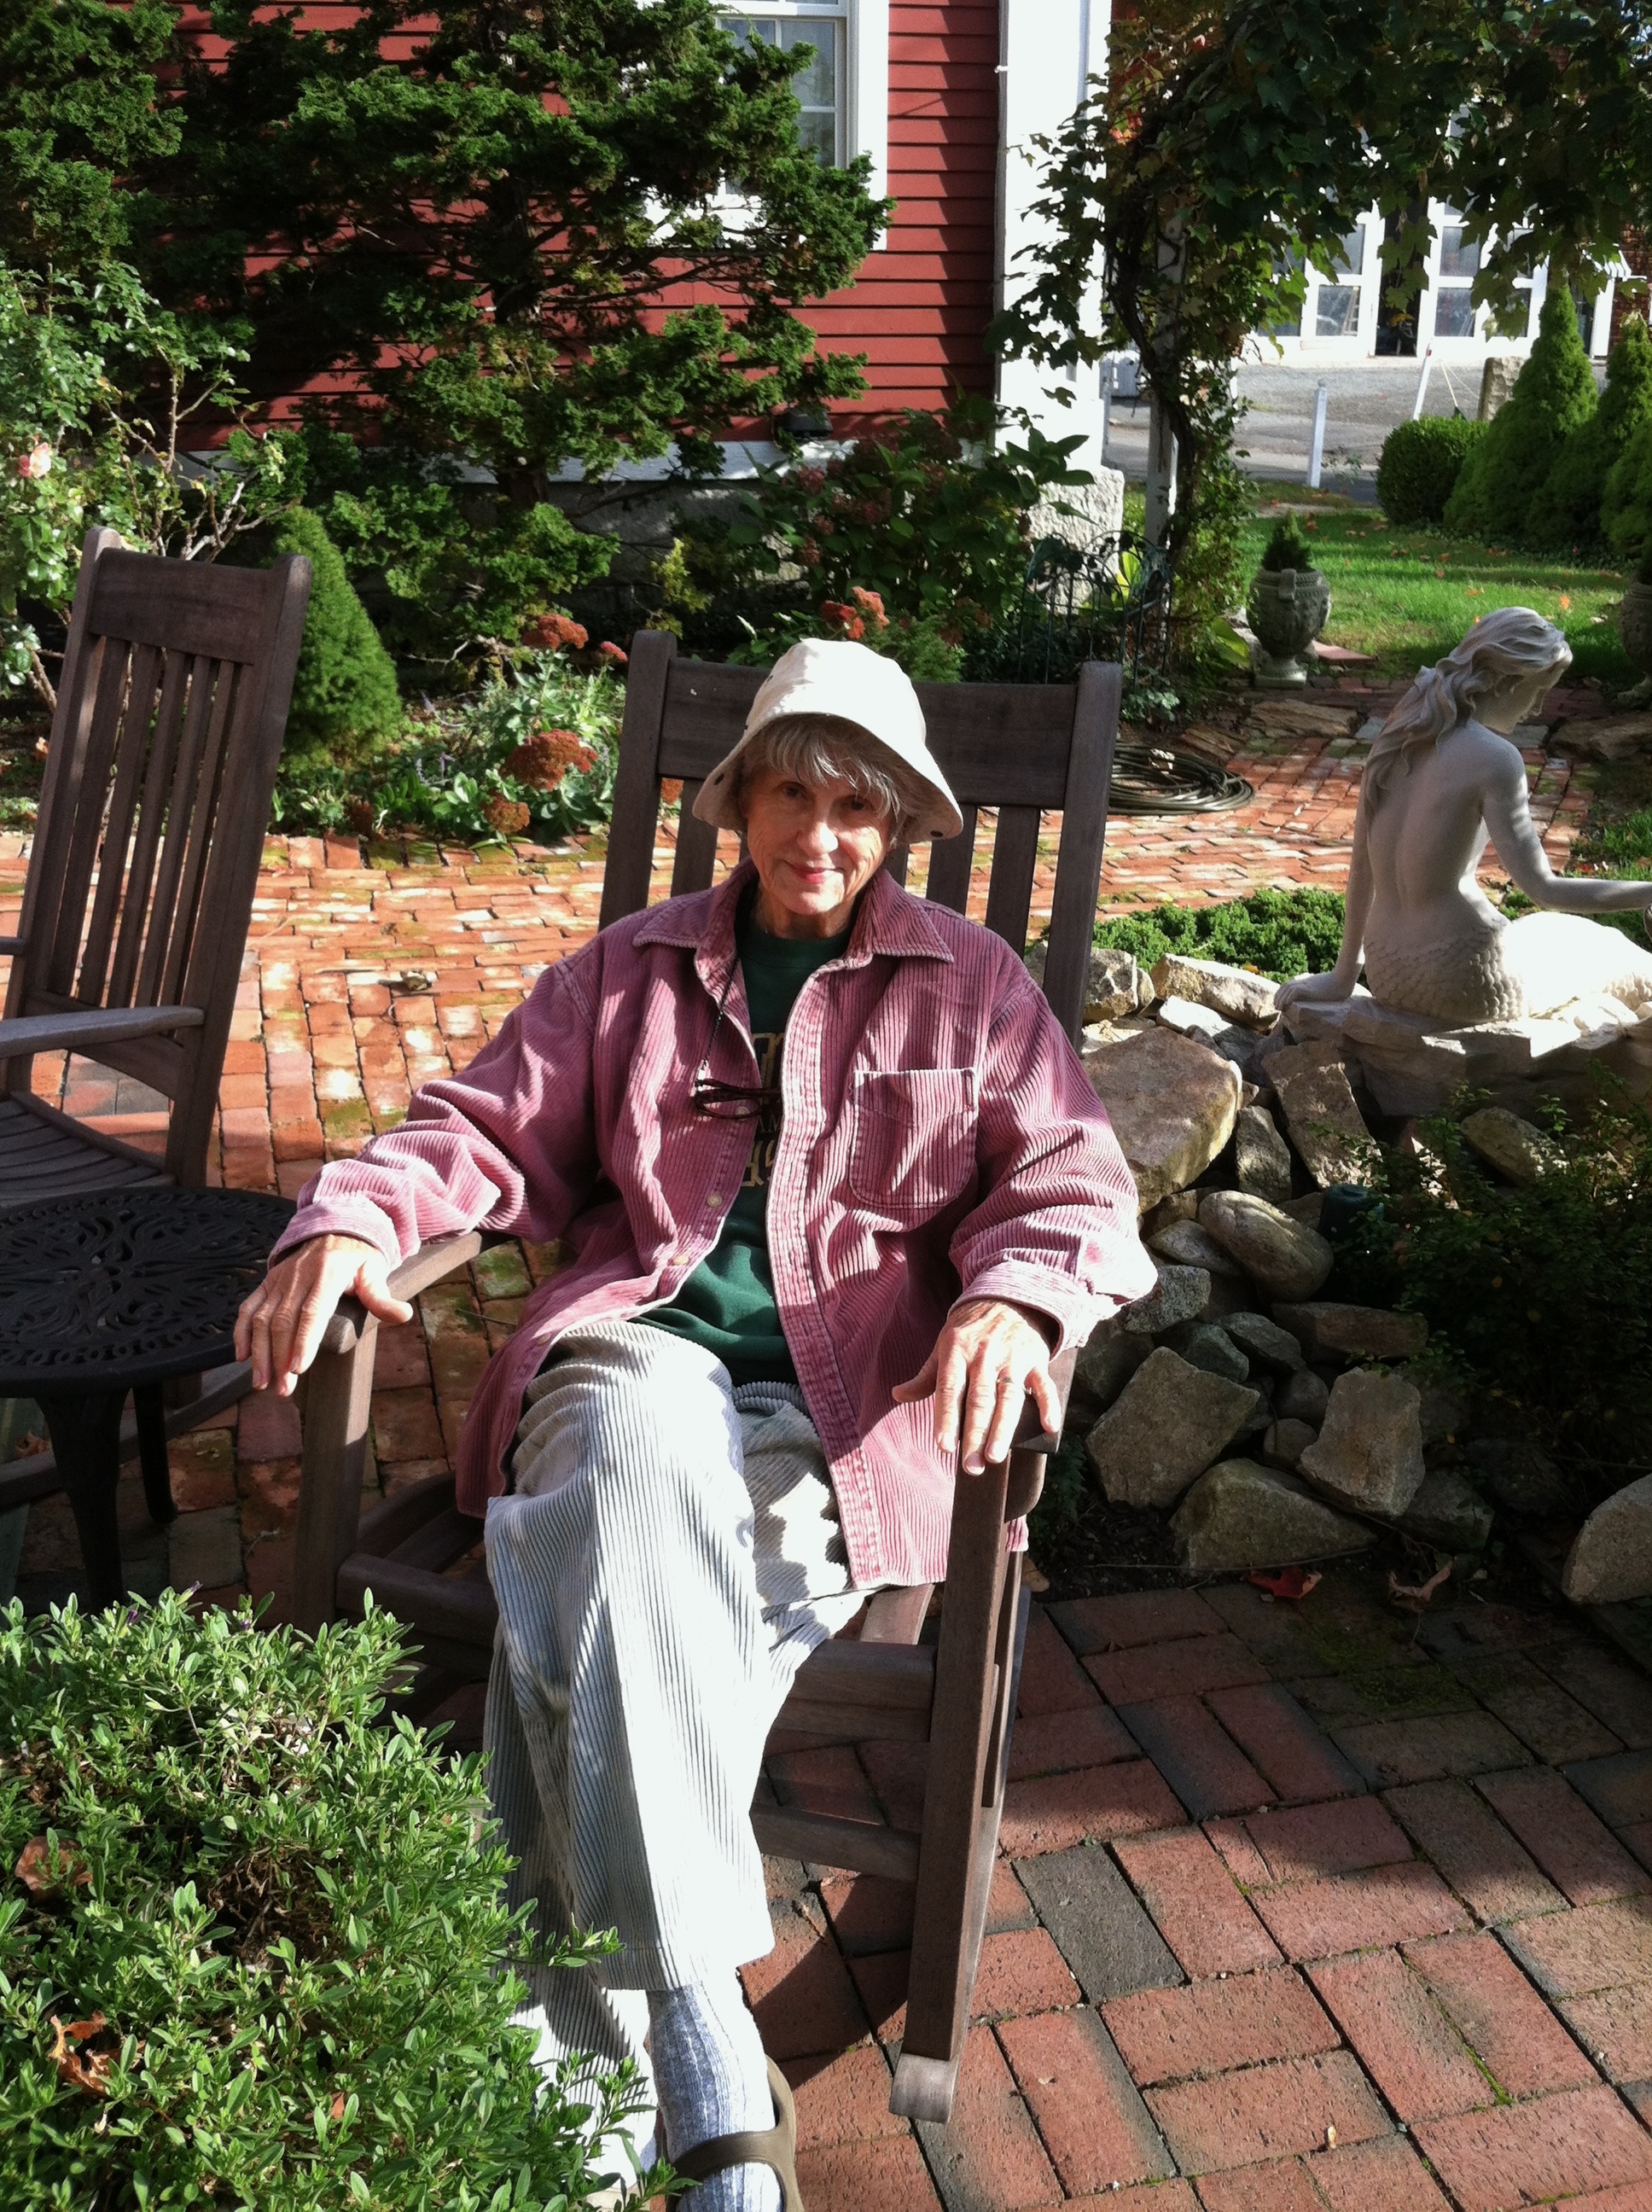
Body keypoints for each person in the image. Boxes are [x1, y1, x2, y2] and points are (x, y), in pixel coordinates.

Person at [235, 637, 1152, 2209]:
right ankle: (707, 2035)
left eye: (855, 806)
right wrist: (354, 1218)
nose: (820, 834)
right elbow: (478, 1125)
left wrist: (1013, 1300)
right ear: (742, 802)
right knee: (628, 1449)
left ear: (897, 823)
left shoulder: (977, 988)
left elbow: (1074, 1182)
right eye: (791, 794)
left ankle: (580, 2119)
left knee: (600, 1598)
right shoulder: (631, 970)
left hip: (841, 1419)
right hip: (634, 1358)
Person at [1279, 607, 1652, 1028]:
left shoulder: (1399, 735)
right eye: (1538, 692)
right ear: (1507, 681)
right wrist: (1647, 893)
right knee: (1604, 948)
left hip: (1387, 970)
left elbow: (1362, 866)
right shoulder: (1497, 759)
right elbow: (1544, 889)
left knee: (1546, 930)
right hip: (1467, 975)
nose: (1536, 709)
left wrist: (1342, 978)